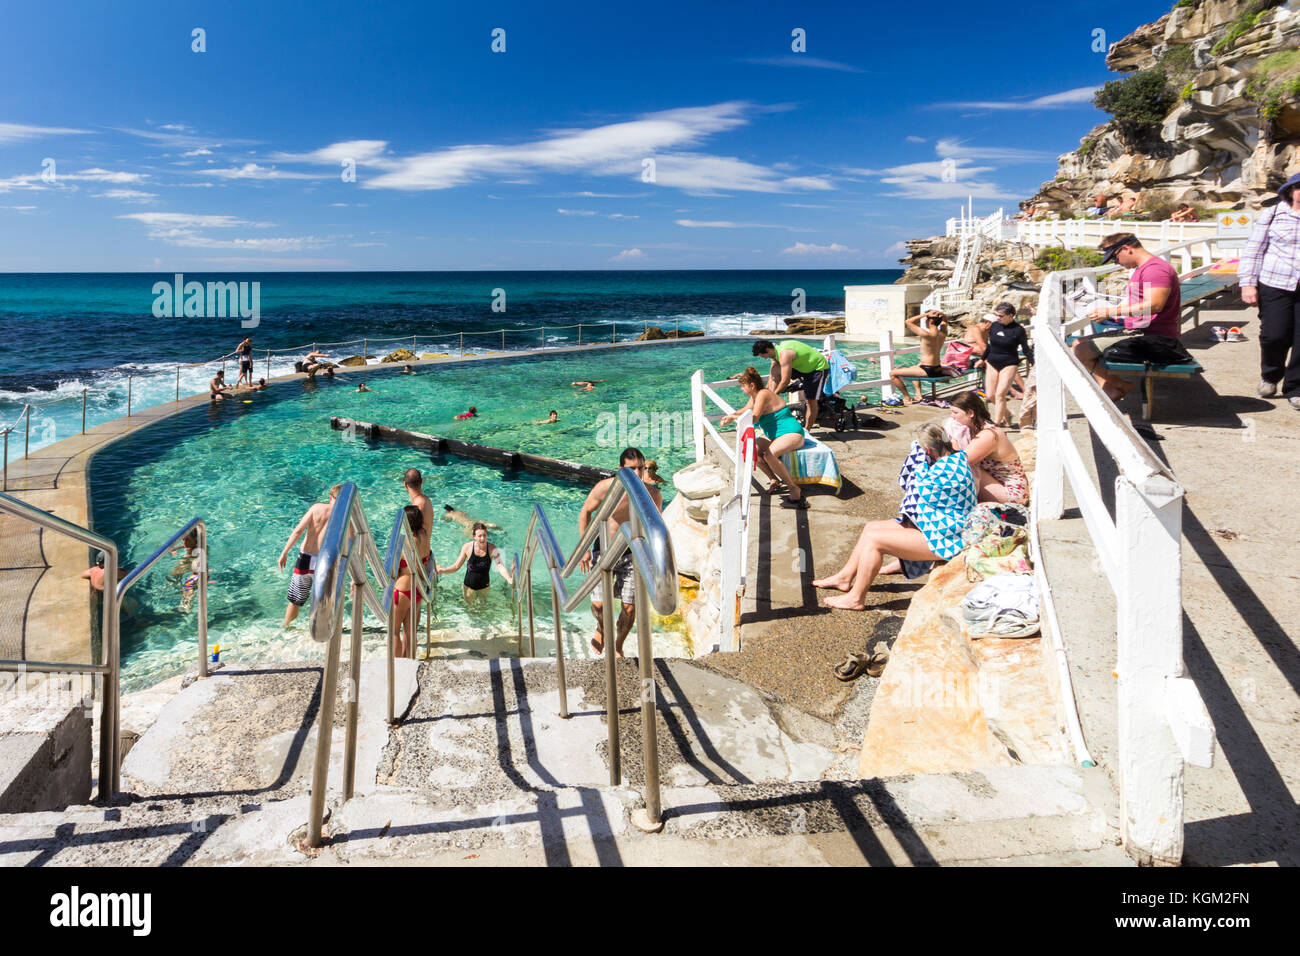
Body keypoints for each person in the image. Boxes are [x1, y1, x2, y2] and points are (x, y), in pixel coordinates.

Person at [813, 423, 976, 610]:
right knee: (871, 528)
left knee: (875, 541)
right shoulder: (957, 458)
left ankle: (856, 599)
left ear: (929, 450)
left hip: (947, 540)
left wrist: (920, 461)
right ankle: (844, 578)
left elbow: (917, 486)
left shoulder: (943, 471)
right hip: (943, 530)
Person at [1074, 232, 1183, 401]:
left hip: (1155, 338)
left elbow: (1155, 304)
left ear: (1126, 248)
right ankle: (1112, 388)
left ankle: (1118, 386)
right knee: (1077, 343)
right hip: (1141, 331)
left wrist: (1110, 312)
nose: (1116, 263)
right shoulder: (1145, 268)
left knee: (1080, 350)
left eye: (1115, 257)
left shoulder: (1155, 270)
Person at [578, 447, 663, 657]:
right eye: (631, 468)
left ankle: (618, 644)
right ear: (620, 469)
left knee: (630, 609)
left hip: (632, 553)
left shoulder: (652, 493)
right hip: (604, 551)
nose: (637, 474)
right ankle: (601, 629)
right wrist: (584, 548)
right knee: (598, 605)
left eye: (640, 468)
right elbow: (585, 512)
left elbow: (657, 526)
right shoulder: (604, 488)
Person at [1239, 171, 1300, 410]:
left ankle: (1295, 387)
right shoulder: (1274, 214)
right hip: (1275, 283)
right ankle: (1271, 375)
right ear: (1290, 191)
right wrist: (1247, 283)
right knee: (1274, 335)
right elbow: (1254, 249)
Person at [720, 366, 807, 508]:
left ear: (751, 385)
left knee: (769, 455)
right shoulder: (755, 397)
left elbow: (753, 418)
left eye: (743, 386)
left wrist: (732, 417)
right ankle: (774, 479)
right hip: (775, 436)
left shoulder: (763, 394)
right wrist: (729, 416)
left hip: (791, 433)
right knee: (752, 450)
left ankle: (793, 487)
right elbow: (744, 411)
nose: (742, 389)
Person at [949, 391, 1029, 505]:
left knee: (966, 470)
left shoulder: (988, 435)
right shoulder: (974, 429)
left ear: (971, 413)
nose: (952, 416)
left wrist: (954, 438)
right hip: (998, 482)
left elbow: (959, 463)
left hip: (1011, 492)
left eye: (955, 412)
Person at [277, 484, 340, 626]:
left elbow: (298, 531)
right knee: (322, 598)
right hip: (325, 561)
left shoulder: (316, 508)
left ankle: (286, 626)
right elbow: (351, 541)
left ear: (330, 497)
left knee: (295, 600)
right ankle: (319, 628)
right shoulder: (343, 517)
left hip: (305, 558)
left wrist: (284, 552)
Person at [751, 338, 830, 430]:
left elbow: (785, 381)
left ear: (768, 350)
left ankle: (807, 429)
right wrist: (767, 391)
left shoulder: (784, 354)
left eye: (763, 356)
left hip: (817, 369)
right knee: (775, 368)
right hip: (803, 367)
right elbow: (772, 375)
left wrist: (774, 396)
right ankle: (767, 407)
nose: (765, 358)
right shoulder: (775, 353)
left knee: (810, 401)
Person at [437, 521, 512, 609]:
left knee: (482, 609)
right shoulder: (467, 547)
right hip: (468, 586)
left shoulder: (492, 548)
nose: (482, 538)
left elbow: (500, 565)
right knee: (470, 609)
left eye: (484, 535)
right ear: (474, 537)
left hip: (484, 586)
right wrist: (443, 571)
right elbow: (456, 566)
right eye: (479, 536)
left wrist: (508, 578)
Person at [982, 302, 1034, 428]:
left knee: (1000, 394)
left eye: (1000, 316)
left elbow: (1026, 349)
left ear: (1010, 316)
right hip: (992, 362)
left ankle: (996, 424)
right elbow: (989, 345)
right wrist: (982, 359)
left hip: (1009, 363)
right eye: (996, 315)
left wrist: (1034, 364)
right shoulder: (994, 326)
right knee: (990, 395)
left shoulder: (1018, 330)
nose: (997, 318)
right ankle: (1007, 414)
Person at [888, 310, 956, 405]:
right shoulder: (942, 333)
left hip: (928, 369)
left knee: (893, 374)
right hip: (937, 368)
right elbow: (945, 322)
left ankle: (907, 398)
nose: (924, 321)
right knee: (914, 368)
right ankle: (919, 394)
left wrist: (926, 314)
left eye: (926, 320)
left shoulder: (927, 335)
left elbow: (908, 322)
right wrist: (942, 314)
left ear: (930, 321)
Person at [392, 504, 431, 656]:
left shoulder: (404, 543)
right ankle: (408, 663)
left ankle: (394, 667)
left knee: (394, 631)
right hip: (418, 588)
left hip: (403, 588)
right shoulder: (424, 535)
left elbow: (394, 569)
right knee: (410, 632)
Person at [403, 468, 435, 576]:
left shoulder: (417, 508)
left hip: (419, 564)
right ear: (421, 482)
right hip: (426, 557)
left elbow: (414, 540)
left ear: (405, 485)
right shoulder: (426, 500)